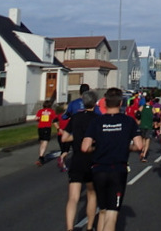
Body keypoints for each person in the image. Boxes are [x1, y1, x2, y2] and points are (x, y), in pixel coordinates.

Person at [81, 88, 143, 231]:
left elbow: (85, 147)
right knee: (112, 214)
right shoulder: (128, 121)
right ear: (121, 103)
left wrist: (97, 148)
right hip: (117, 170)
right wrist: (125, 147)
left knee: (102, 209)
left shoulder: (97, 122)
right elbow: (139, 145)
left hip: (98, 170)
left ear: (105, 103)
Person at [61, 91, 99, 231]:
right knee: (91, 193)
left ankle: (70, 228)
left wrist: (77, 138)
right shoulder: (97, 119)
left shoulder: (75, 117)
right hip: (91, 159)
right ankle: (89, 226)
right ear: (95, 103)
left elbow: (64, 138)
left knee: (73, 197)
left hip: (76, 159)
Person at [35, 100, 57, 166]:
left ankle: (41, 154)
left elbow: (36, 118)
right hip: (47, 127)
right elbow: (54, 119)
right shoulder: (51, 111)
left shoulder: (40, 111)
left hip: (40, 127)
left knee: (42, 141)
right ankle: (41, 157)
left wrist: (40, 119)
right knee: (45, 141)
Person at [53, 104, 71, 171]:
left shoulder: (60, 115)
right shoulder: (70, 116)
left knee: (63, 150)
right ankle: (61, 158)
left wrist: (58, 128)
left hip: (60, 134)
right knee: (66, 150)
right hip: (67, 134)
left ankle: (63, 165)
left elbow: (54, 121)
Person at [138, 95, 154, 162]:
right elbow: (156, 115)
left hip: (142, 125)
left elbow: (137, 114)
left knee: (143, 139)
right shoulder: (152, 108)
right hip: (149, 125)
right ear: (150, 101)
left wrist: (139, 120)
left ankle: (142, 150)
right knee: (147, 140)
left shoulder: (142, 107)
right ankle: (144, 155)